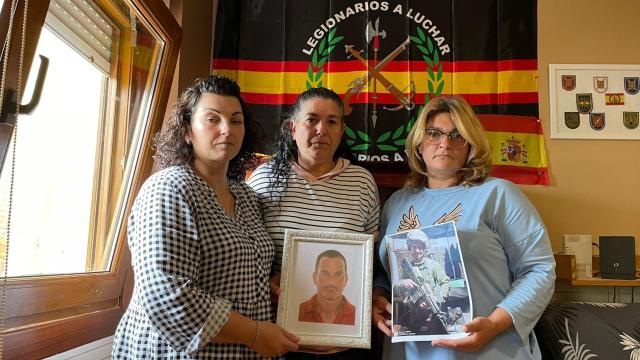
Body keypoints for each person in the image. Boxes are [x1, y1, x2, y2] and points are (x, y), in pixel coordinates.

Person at [112, 75, 299, 359]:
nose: (227, 129)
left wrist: (266, 282)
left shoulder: (246, 196)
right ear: (188, 130)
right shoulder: (169, 188)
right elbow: (165, 295)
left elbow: (236, 267)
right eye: (213, 119)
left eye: (236, 121)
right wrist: (255, 334)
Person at [372, 95, 555, 359]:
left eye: (457, 135)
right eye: (434, 134)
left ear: (470, 145)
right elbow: (385, 273)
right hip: (409, 352)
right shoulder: (397, 203)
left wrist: (495, 324)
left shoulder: (498, 195)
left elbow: (539, 269)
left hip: (491, 349)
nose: (445, 143)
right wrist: (378, 295)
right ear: (419, 144)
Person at [247, 87, 380, 359]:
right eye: (312, 120)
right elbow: (247, 255)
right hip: (277, 341)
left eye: (332, 121)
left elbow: (371, 258)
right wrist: (268, 283)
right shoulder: (263, 179)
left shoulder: (362, 182)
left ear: (341, 130)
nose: (322, 129)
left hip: (346, 344)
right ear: (293, 128)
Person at [393, 230, 450, 335]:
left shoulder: (433, 265)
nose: (417, 250)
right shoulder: (407, 268)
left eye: (420, 247)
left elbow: (445, 283)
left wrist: (437, 299)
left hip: (432, 312)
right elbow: (396, 288)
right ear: (410, 249)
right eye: (414, 247)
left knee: (437, 334)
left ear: (423, 248)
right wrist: (403, 283)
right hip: (415, 314)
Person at [298, 250, 356, 326]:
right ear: (314, 278)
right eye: (325, 274)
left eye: (338, 275)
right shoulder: (299, 311)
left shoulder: (357, 315)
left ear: (346, 279)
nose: (331, 282)